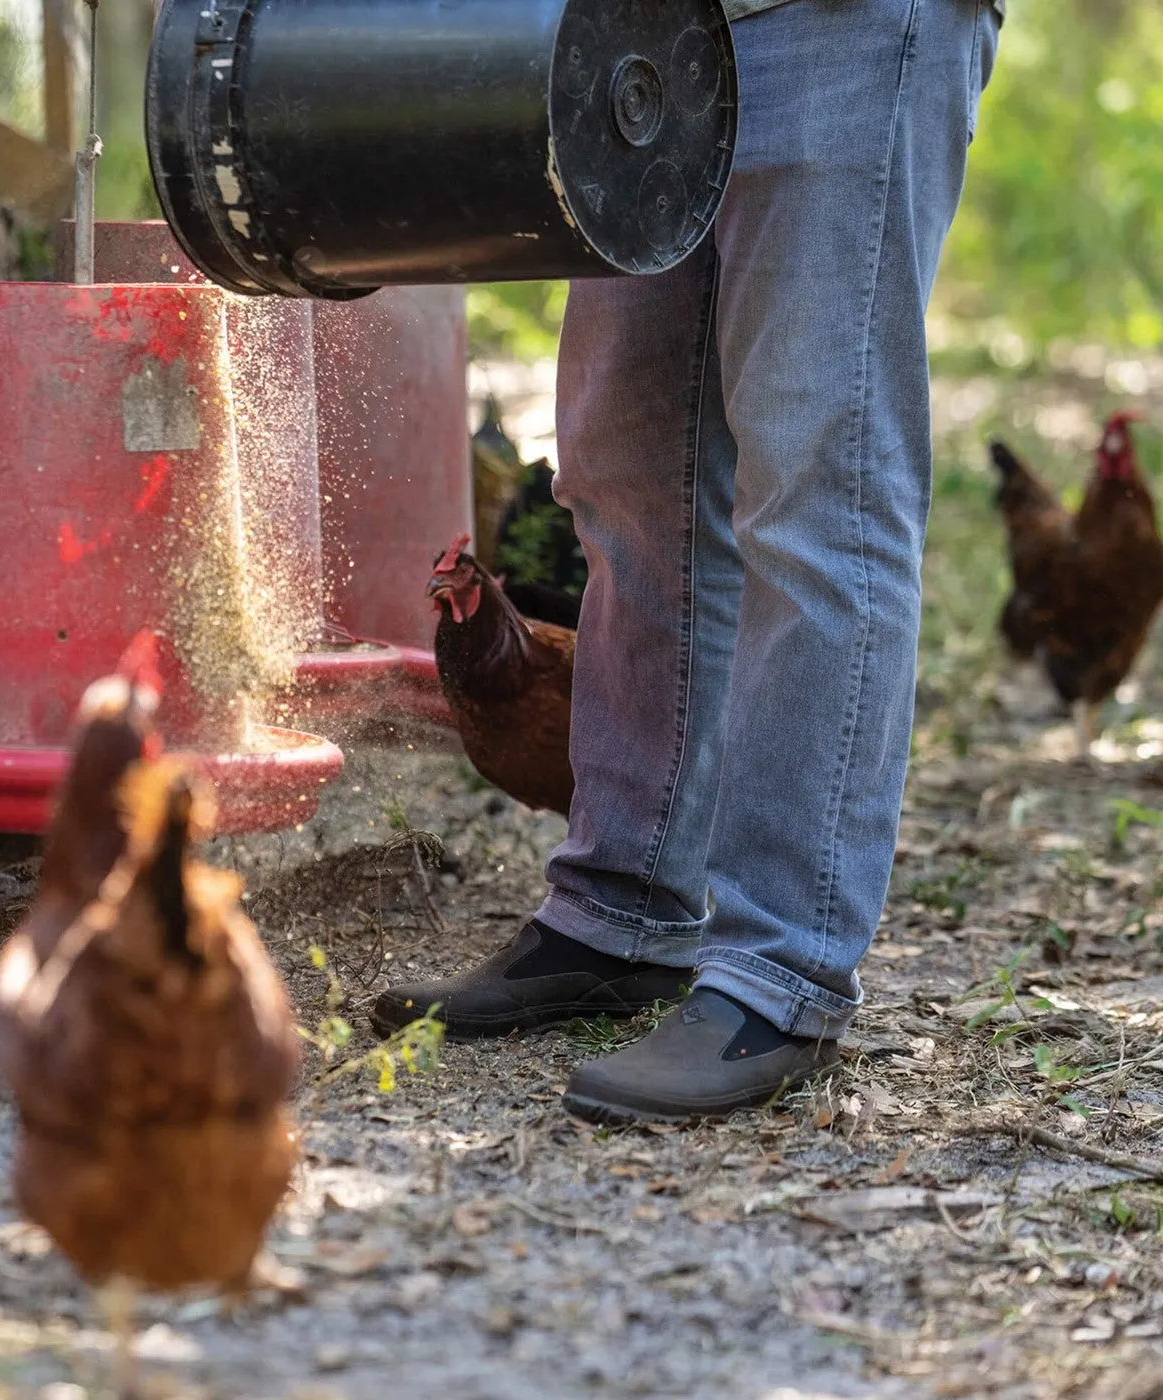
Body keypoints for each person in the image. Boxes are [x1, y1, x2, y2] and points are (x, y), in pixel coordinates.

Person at [374, 0, 1003, 1124]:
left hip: (845, 21)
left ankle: (781, 967)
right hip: (653, 27)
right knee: (624, 468)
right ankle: (622, 906)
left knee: (820, 482)